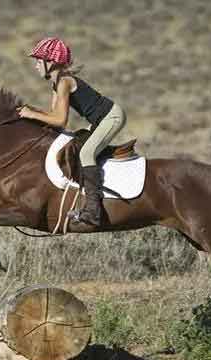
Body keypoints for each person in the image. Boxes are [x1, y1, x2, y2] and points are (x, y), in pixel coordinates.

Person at [16, 37, 127, 230]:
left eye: (38, 60)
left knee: (86, 153)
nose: (35, 66)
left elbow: (60, 120)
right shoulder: (56, 84)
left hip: (112, 117)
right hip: (100, 121)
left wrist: (32, 113)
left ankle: (93, 212)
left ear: (50, 61)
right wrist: (29, 112)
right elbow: (52, 116)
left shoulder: (64, 82)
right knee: (77, 146)